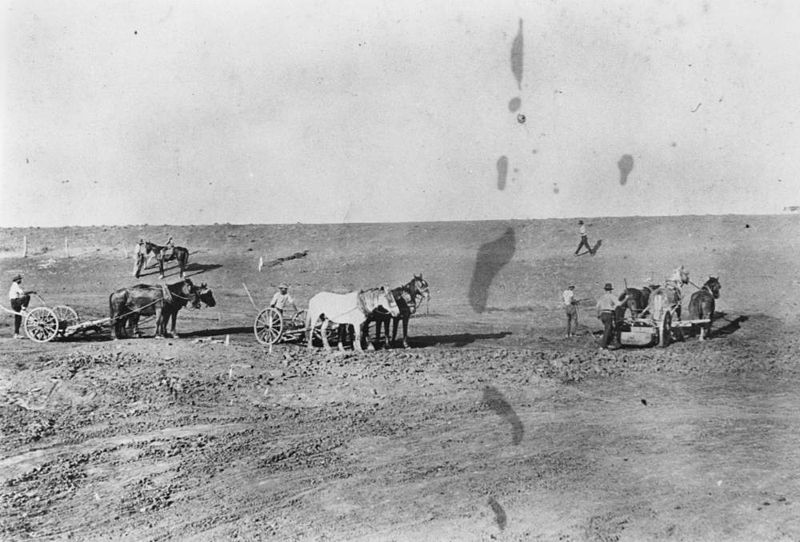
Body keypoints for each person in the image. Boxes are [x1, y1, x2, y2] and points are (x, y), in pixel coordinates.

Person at [596, 283, 626, 349]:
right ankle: (603, 345)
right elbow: (619, 304)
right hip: (608, 314)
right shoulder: (612, 296)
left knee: (610, 328)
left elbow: (597, 306)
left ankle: (609, 342)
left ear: (605, 290)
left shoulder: (602, 297)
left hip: (602, 314)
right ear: (611, 290)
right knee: (608, 329)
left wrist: (598, 314)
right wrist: (626, 298)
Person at [8, 275, 35, 339]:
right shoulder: (15, 285)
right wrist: (32, 291)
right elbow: (23, 293)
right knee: (27, 296)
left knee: (18, 319)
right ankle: (23, 310)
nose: (21, 281)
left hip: (15, 302)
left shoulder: (14, 286)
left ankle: (16, 334)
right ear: (17, 280)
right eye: (20, 279)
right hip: (15, 302)